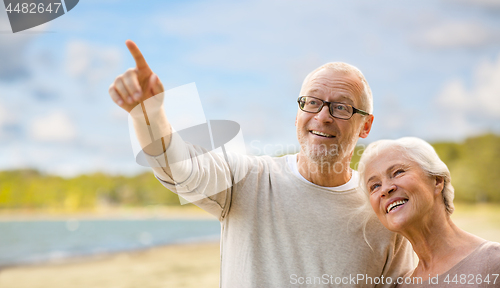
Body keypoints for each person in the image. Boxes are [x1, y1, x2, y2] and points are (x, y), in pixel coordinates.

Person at [108, 40, 414, 287]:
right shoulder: (247, 179)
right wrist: (148, 115)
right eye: (312, 102)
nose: (322, 116)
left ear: (366, 126)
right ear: (297, 114)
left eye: (341, 107)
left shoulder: (385, 210)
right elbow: (180, 167)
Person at [358, 137, 500, 287]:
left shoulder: (493, 262)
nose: (385, 189)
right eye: (374, 186)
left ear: (437, 181)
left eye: (398, 172)